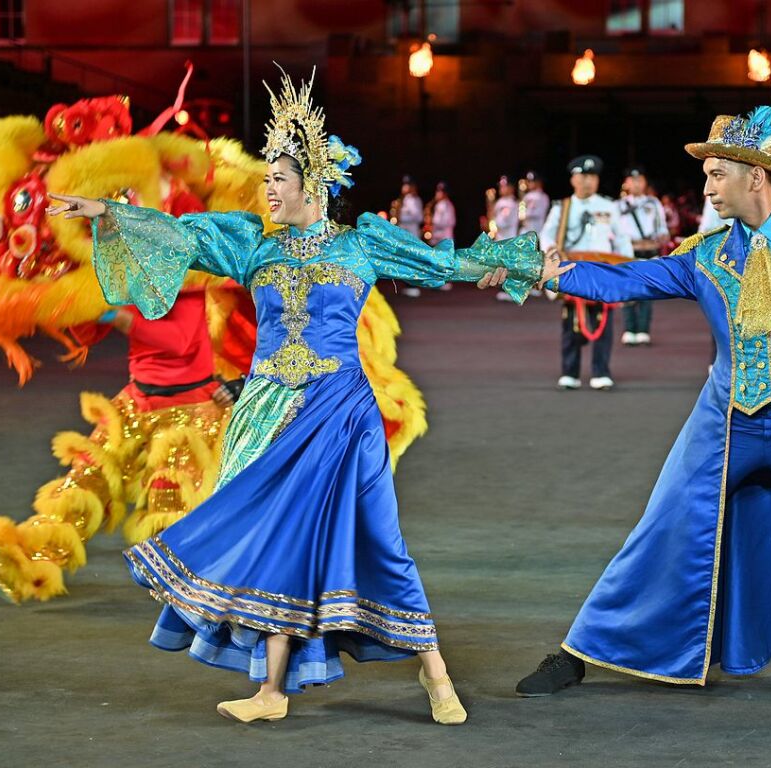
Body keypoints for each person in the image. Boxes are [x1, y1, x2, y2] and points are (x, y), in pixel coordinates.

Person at [46, 68, 543, 725]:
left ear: (310, 183)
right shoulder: (254, 245)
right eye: (265, 181)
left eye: (277, 179)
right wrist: (107, 211)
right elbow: (179, 236)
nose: (267, 190)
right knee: (280, 542)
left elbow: (442, 263)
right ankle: (272, 692)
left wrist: (525, 265)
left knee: (382, 543)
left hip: (344, 418)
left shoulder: (362, 243)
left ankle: (437, 676)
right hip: (271, 416)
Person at [499, 93, 771, 714]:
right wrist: (553, 274)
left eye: (716, 173)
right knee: (661, 529)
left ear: (755, 176)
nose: (706, 185)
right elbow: (628, 281)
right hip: (726, 421)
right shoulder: (705, 257)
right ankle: (581, 653)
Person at [0, 292, 234, 603]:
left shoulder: (187, 272)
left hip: (190, 410)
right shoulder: (130, 269)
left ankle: (195, 587)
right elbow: (88, 334)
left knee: (169, 502)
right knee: (85, 483)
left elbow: (179, 340)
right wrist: (79, 305)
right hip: (135, 402)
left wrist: (119, 317)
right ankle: (32, 565)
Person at [539, 154, 633, 390]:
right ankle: (569, 371)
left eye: (592, 176)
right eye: (583, 176)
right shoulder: (562, 207)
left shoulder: (609, 206)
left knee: (603, 319)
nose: (588, 181)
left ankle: (601, 372)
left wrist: (628, 271)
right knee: (571, 320)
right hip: (573, 269)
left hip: (602, 269)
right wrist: (551, 250)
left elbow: (622, 240)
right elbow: (546, 234)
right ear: (573, 179)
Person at [617, 166, 669, 345]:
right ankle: (629, 329)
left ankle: (643, 330)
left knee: (647, 292)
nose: (637, 183)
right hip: (629, 253)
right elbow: (615, 233)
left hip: (650, 252)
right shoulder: (619, 206)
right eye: (633, 180)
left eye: (640, 179)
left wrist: (662, 236)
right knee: (628, 292)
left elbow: (662, 227)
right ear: (627, 183)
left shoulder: (653, 203)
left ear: (645, 182)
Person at [521, 170, 550, 235]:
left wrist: (525, 213)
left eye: (532, 181)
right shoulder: (526, 196)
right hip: (526, 230)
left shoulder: (543, 196)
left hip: (538, 231)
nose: (529, 183)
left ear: (539, 182)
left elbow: (538, 213)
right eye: (528, 181)